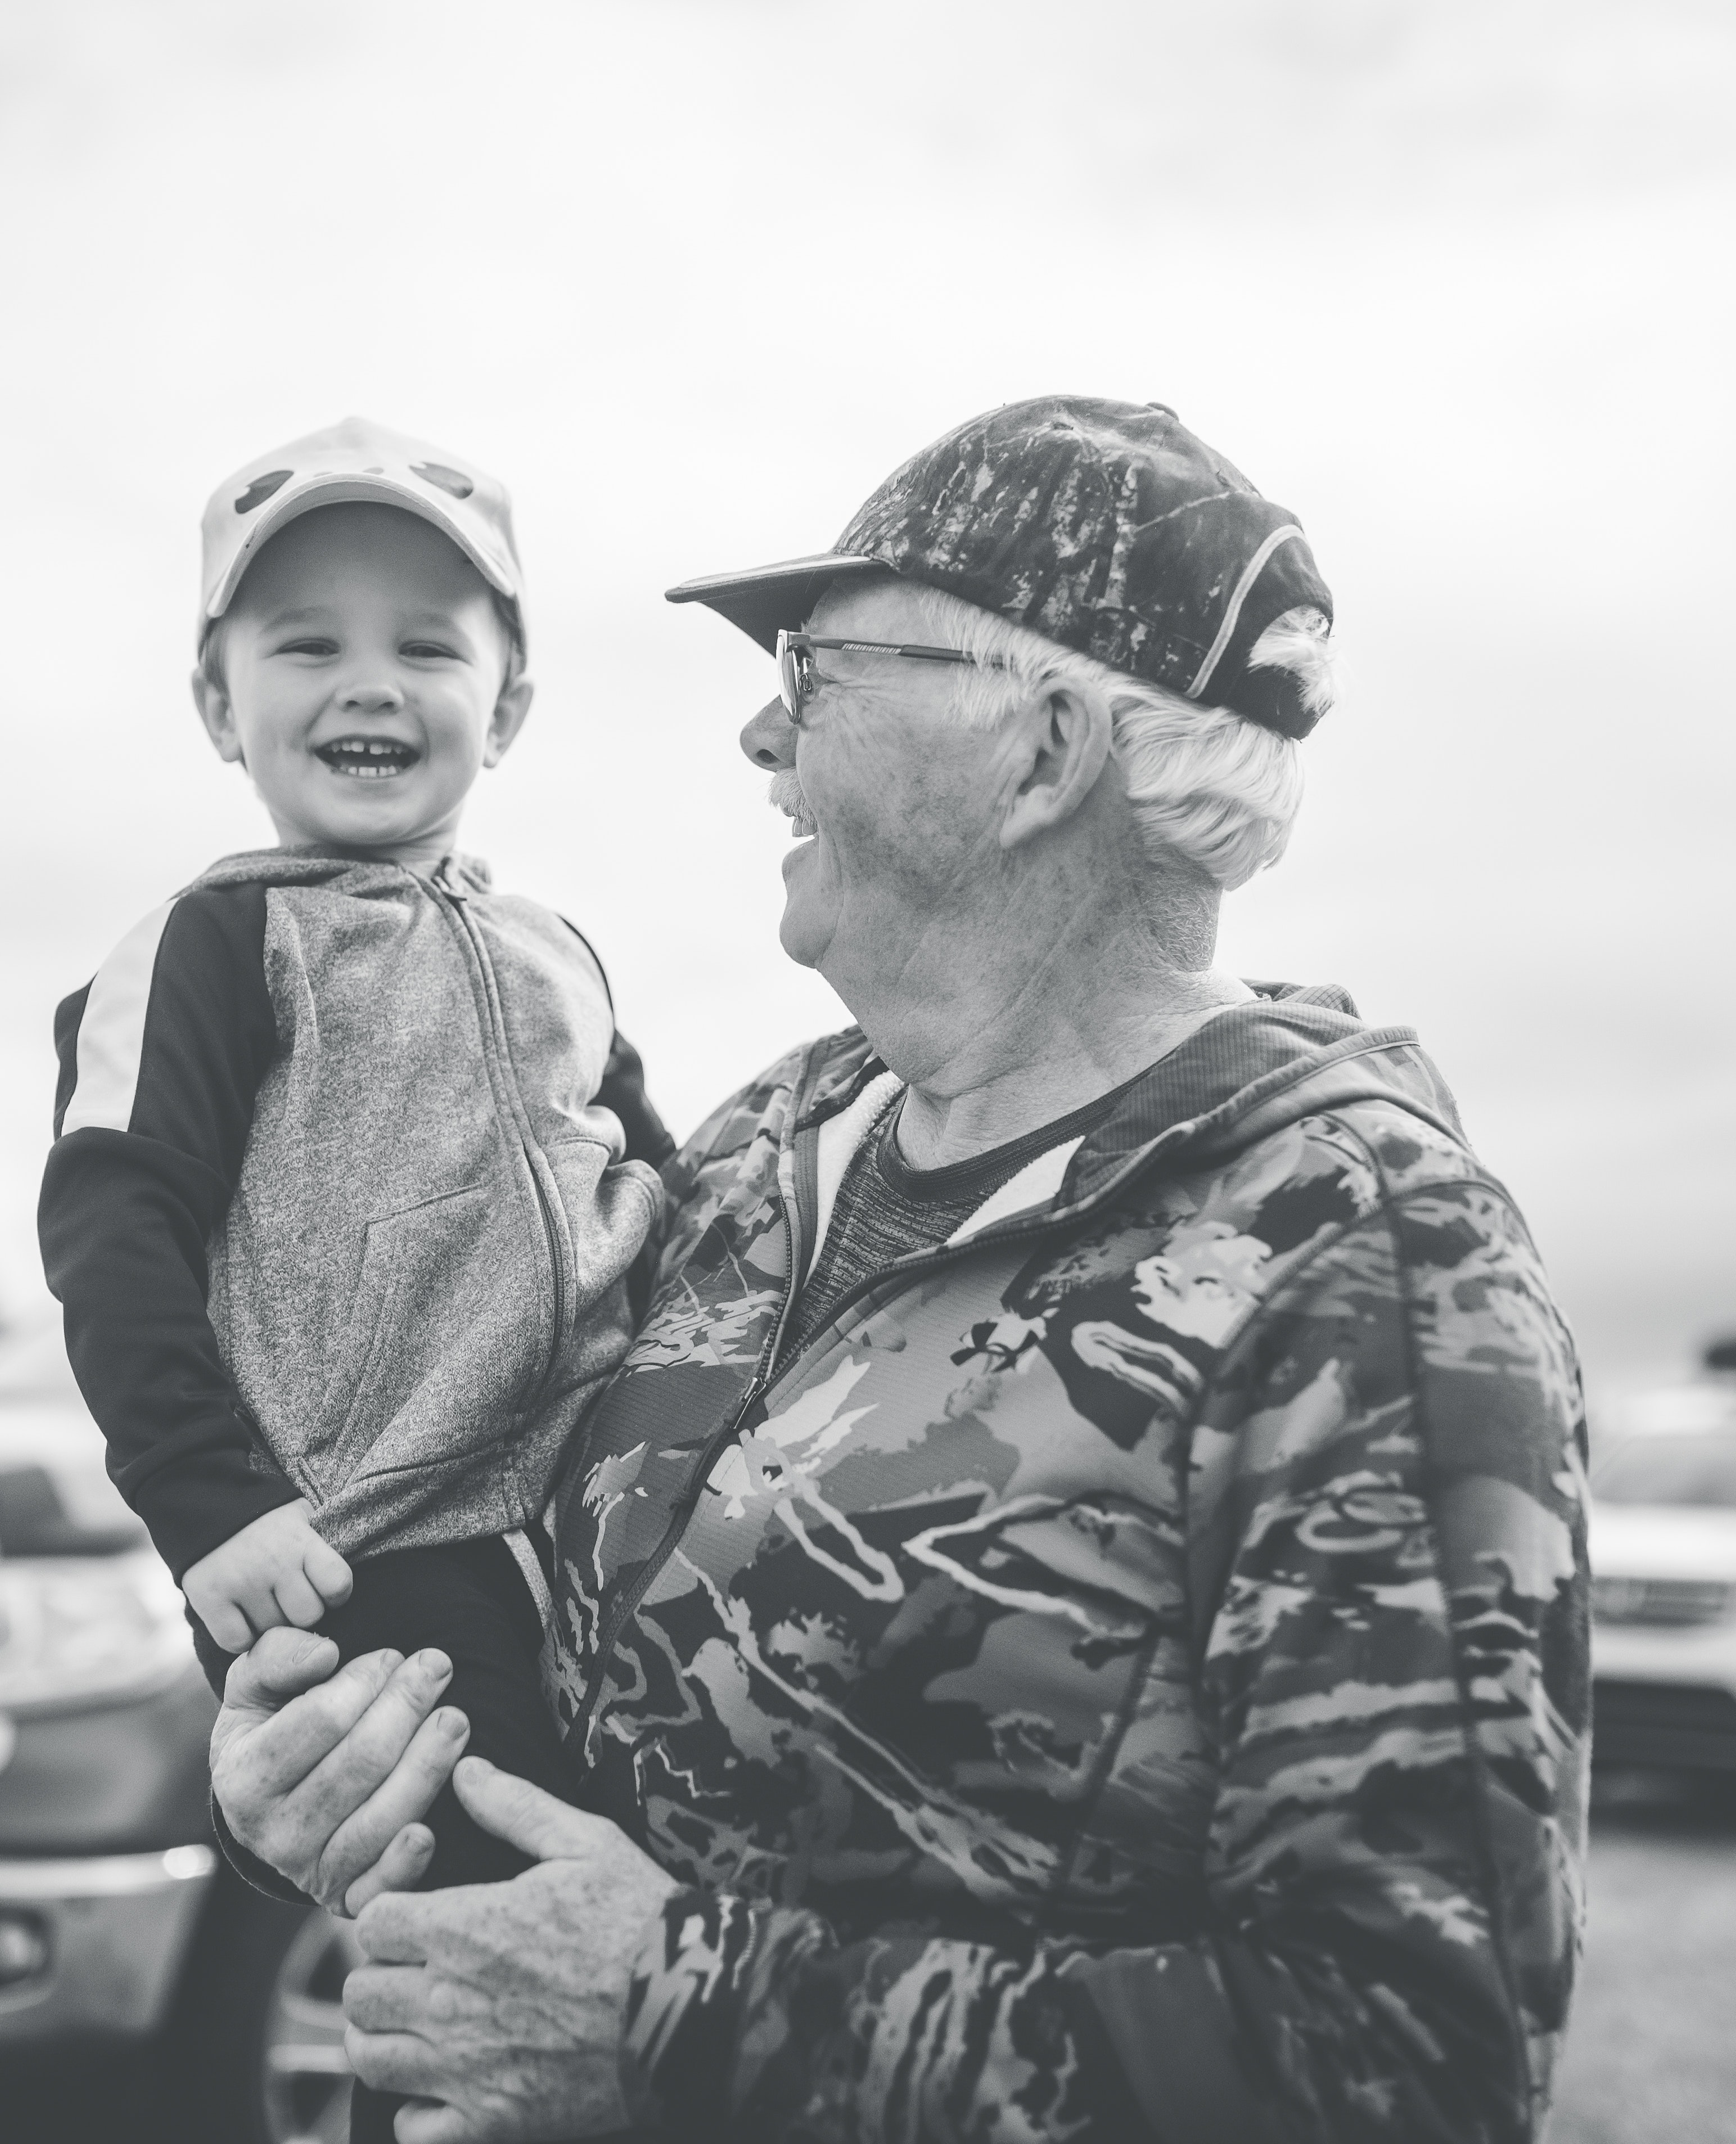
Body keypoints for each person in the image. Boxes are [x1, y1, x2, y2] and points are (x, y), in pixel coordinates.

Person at [209, 396, 1591, 2143]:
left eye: (824, 672)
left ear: (1044, 754)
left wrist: (675, 2013)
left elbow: (1411, 2066)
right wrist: (329, 1786)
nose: (759, 731)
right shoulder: (756, 1148)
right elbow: (536, 1641)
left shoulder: (1362, 1263)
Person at [37, 416, 671, 1905]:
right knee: (479, 1941)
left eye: (429, 650)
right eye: (308, 645)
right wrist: (206, 1502)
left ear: (506, 703)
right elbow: (111, 1222)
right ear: (218, 700)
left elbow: (661, 1174)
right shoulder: (209, 948)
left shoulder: (558, 955)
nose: (372, 683)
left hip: (594, 1523)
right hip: (360, 1555)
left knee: (631, 1913)